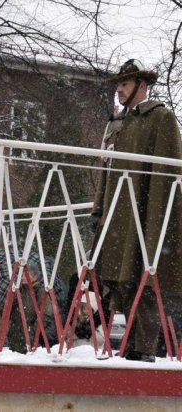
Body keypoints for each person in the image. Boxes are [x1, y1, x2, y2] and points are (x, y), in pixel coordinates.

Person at [90, 59, 182, 362]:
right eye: (119, 84)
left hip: (143, 214)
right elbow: (106, 168)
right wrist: (98, 209)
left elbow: (167, 174)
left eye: (125, 84)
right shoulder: (117, 123)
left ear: (141, 85)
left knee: (145, 278)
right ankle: (130, 342)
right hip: (117, 215)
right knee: (118, 278)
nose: (119, 90)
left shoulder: (160, 118)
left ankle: (145, 347)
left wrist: (159, 222)